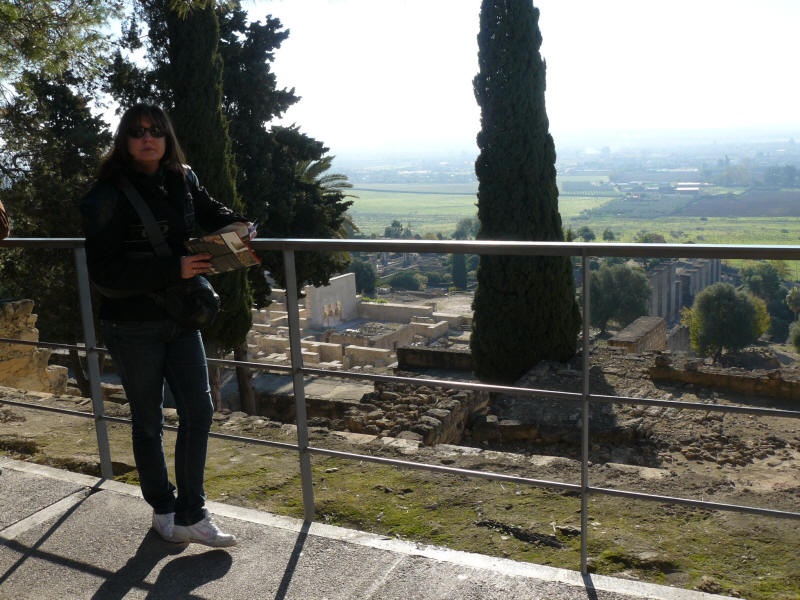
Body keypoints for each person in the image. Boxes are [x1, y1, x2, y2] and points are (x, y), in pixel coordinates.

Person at [81, 103, 254, 547]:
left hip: (180, 316)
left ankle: (192, 514)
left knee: (200, 410)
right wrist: (172, 269)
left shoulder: (182, 178)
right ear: (124, 139)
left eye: (156, 130)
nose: (147, 138)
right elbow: (104, 273)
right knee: (148, 421)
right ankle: (164, 510)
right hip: (132, 324)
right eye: (137, 131)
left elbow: (215, 212)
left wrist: (238, 230)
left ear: (167, 136)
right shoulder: (104, 195)